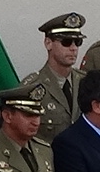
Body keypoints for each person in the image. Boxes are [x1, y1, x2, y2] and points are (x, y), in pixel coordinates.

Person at [20, 12, 89, 149]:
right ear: (48, 43)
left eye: (78, 42)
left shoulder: (86, 82)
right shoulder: (32, 86)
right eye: (66, 42)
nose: (74, 48)